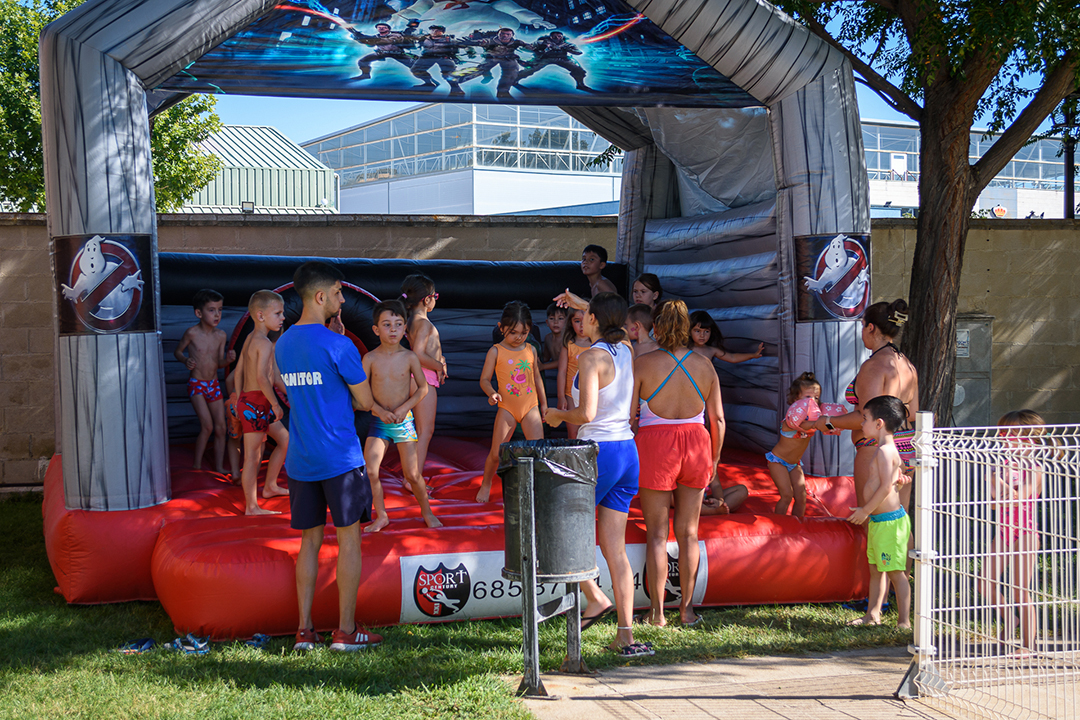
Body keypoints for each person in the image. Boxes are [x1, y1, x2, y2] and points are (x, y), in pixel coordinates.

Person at [274, 261, 384, 653]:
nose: (342, 298)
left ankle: (304, 630)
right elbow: (366, 401)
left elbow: (296, 386)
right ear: (320, 297)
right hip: (339, 456)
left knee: (310, 542)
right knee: (349, 540)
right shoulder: (339, 345)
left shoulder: (283, 343)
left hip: (302, 458)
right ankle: (346, 631)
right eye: (338, 293)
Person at [546, 290, 652, 658]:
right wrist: (581, 303)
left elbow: (586, 413)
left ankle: (594, 596)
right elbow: (611, 321)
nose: (580, 318)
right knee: (615, 549)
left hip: (600, 451)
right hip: (627, 451)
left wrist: (558, 416)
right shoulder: (625, 350)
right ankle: (626, 633)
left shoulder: (591, 357)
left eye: (585, 315)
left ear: (593, 320)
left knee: (560, 525)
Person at [632, 300, 726, 627]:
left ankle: (657, 613)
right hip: (697, 442)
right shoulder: (704, 366)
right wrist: (713, 459)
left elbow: (630, 417)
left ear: (656, 328)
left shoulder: (642, 364)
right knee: (689, 533)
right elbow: (719, 420)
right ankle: (686, 610)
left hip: (656, 444)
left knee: (657, 535)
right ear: (687, 329)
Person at [362, 300, 441, 532]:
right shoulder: (370, 359)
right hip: (380, 421)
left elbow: (423, 389)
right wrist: (379, 411)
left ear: (404, 328)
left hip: (403, 422)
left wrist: (403, 408)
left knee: (413, 475)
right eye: (387, 325)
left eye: (398, 324)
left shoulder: (409, 357)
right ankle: (382, 516)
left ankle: (426, 512)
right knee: (370, 470)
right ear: (376, 330)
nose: (393, 329)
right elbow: (361, 394)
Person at [845, 395, 912, 629]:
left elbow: (885, 486)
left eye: (865, 419)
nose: (861, 424)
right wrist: (900, 480)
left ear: (879, 423)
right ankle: (873, 614)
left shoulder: (885, 451)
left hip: (888, 523)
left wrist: (865, 510)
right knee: (875, 569)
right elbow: (896, 477)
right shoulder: (885, 448)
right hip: (880, 521)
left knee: (895, 572)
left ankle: (904, 621)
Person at [981, 409, 1045, 651]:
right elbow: (997, 500)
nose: (1006, 437)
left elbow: (1019, 496)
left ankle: (1028, 644)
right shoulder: (1007, 464)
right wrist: (997, 478)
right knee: (984, 583)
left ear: (1030, 437)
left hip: (1026, 533)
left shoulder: (1036, 468)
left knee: (1020, 591)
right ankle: (1010, 618)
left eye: (1013, 433)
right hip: (1004, 532)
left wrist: (998, 480)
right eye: (1004, 432)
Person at [476, 301, 548, 503]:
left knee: (538, 450)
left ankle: (539, 487)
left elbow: (536, 378)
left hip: (530, 406)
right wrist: (492, 393)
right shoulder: (496, 351)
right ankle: (487, 483)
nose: (519, 337)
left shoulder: (531, 350)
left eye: (524, 333)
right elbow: (484, 379)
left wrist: (544, 404)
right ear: (501, 328)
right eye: (513, 332)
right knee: (497, 453)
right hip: (507, 407)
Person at [229, 290, 289, 515]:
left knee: (285, 439)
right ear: (261, 316)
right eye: (278, 313)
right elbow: (264, 378)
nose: (282, 318)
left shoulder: (251, 339)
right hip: (256, 404)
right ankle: (251, 507)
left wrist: (238, 396)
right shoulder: (262, 343)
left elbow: (239, 372)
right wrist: (275, 404)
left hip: (252, 402)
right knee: (252, 457)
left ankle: (271, 486)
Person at [174, 288, 235, 474]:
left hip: (213, 384)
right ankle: (197, 466)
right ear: (198, 313)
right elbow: (177, 351)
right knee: (207, 425)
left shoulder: (221, 335)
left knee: (221, 427)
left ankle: (218, 466)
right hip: (197, 385)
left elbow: (218, 363)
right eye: (211, 310)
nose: (217, 314)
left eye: (220, 309)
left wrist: (229, 360)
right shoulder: (192, 333)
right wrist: (186, 360)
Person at [401, 274, 447, 482]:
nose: (435, 300)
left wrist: (439, 359)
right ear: (427, 299)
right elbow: (418, 353)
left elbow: (426, 350)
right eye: (435, 295)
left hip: (418, 377)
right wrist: (439, 366)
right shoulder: (424, 323)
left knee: (416, 430)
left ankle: (411, 475)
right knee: (425, 430)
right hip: (423, 379)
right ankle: (413, 478)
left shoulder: (412, 321)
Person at [766, 372, 823, 517]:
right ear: (796, 398)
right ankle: (778, 523)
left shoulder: (815, 420)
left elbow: (819, 425)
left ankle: (797, 526)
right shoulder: (790, 421)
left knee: (802, 498)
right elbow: (806, 425)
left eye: (816, 398)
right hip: (778, 461)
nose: (813, 401)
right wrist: (823, 423)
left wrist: (833, 424)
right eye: (808, 397)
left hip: (794, 463)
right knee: (787, 496)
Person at [452, 28, 530, 99]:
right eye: (502, 34)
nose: (505, 36)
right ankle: (456, 81)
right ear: (498, 34)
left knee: (511, 73)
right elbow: (478, 42)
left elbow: (529, 46)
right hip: (492, 58)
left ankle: (503, 92)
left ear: (512, 35)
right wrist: (469, 43)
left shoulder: (517, 42)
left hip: (508, 59)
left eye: (508, 34)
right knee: (481, 69)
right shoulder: (490, 41)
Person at [515, 31, 591, 91]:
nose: (557, 38)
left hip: (562, 58)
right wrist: (540, 49)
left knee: (578, 69)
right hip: (544, 58)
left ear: (562, 37)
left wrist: (567, 48)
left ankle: (580, 84)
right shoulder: (541, 42)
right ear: (550, 37)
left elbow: (578, 52)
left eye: (559, 36)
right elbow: (529, 48)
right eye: (554, 36)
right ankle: (515, 80)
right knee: (530, 68)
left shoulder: (567, 44)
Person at [557, 307, 590, 440]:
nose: (582, 326)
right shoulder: (568, 345)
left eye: (585, 321)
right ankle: (573, 460)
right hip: (571, 394)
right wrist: (561, 397)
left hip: (590, 394)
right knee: (573, 432)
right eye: (577, 321)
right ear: (570, 322)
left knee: (589, 431)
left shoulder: (596, 345)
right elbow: (562, 371)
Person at [688, 310, 764, 364]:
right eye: (697, 331)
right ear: (689, 331)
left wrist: (753, 355)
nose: (702, 335)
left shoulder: (711, 350)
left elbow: (732, 357)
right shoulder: (684, 349)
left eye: (706, 331)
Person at [410, 25, 466, 94]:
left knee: (448, 74)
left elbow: (460, 44)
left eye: (436, 30)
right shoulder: (424, 38)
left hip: (443, 56)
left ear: (441, 32)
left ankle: (456, 89)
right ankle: (429, 83)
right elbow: (413, 38)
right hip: (428, 56)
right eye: (432, 30)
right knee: (416, 70)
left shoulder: (448, 39)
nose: (434, 32)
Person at [350, 22, 415, 80]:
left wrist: (367, 37)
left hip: (398, 53)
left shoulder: (396, 35)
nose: (381, 28)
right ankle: (365, 74)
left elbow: (388, 41)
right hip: (382, 53)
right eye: (379, 27)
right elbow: (370, 44)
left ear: (388, 29)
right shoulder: (376, 36)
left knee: (415, 66)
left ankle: (425, 81)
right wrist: (359, 38)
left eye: (384, 27)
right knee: (363, 61)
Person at [539, 302, 567, 373]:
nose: (556, 322)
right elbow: (546, 358)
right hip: (558, 373)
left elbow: (564, 361)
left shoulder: (567, 339)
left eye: (560, 318)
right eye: (552, 318)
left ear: (567, 322)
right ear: (547, 322)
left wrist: (543, 366)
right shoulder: (548, 338)